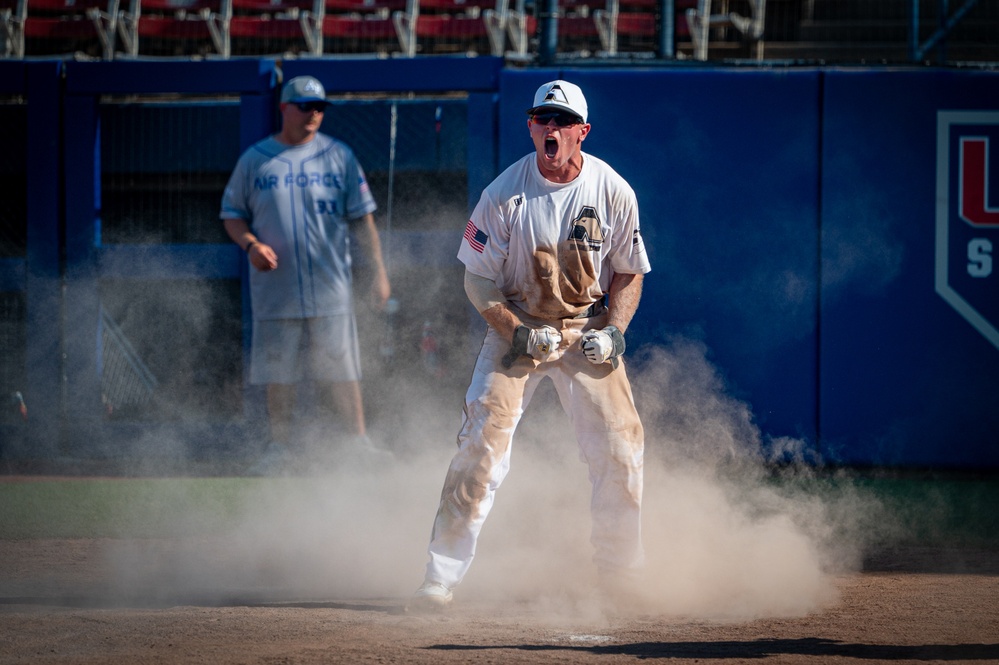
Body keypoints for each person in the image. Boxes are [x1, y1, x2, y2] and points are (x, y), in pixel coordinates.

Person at [410, 80, 651, 610]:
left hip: (584, 325)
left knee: (620, 444)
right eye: (543, 118)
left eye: (563, 121)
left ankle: (621, 574)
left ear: (582, 132)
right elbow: (476, 281)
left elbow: (629, 274)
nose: (552, 128)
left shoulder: (613, 191)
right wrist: (516, 332)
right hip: (517, 325)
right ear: (530, 126)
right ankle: (439, 578)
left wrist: (613, 332)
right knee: (481, 448)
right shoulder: (503, 195)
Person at [221, 75, 392, 474]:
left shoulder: (339, 155)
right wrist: (250, 245)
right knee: (277, 368)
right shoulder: (256, 159)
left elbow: (363, 221)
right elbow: (232, 216)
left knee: (342, 366)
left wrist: (380, 273)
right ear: (284, 108)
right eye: (305, 106)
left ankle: (357, 443)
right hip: (276, 285)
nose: (313, 113)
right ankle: (279, 447)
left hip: (331, 283)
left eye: (319, 107)